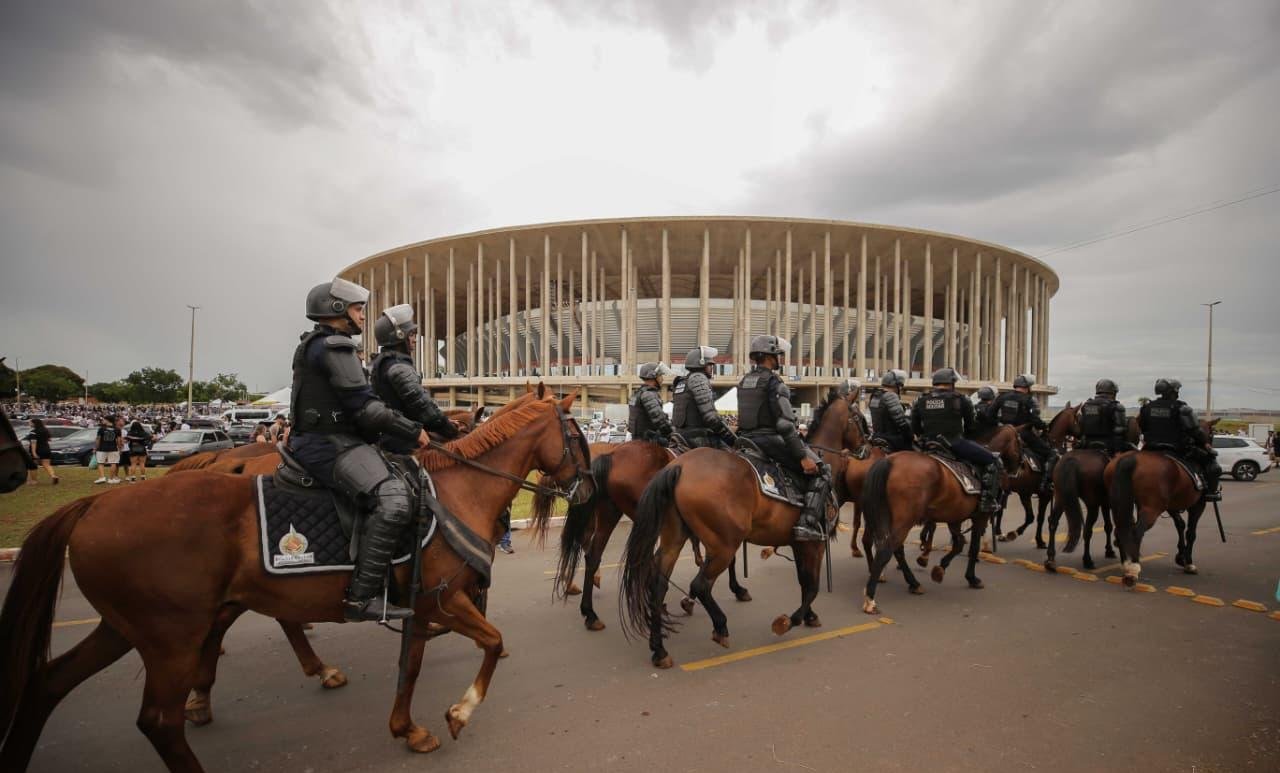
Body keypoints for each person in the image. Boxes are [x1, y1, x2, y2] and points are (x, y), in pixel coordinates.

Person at [287, 277, 431, 622]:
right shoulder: (335, 346)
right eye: (357, 308)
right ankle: (362, 596)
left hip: (329, 440)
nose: (363, 316)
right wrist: (415, 431)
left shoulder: (319, 344)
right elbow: (367, 409)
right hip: (329, 445)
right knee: (394, 497)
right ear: (337, 310)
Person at [735, 334, 831, 542]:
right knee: (823, 472)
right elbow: (785, 425)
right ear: (770, 356)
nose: (780, 358)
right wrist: (803, 456)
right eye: (779, 354)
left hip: (745, 440)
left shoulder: (744, 380)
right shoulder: (774, 382)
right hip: (769, 440)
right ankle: (808, 524)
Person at [369, 303, 461, 452]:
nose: (415, 339)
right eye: (411, 334)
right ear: (400, 336)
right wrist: (449, 430)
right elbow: (422, 407)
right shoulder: (399, 367)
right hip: (401, 442)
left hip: (390, 436)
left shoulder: (381, 363)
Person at [911, 368, 1002, 513]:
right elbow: (971, 427)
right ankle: (987, 501)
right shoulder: (961, 399)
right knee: (993, 461)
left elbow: (915, 427)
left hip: (928, 445)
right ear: (952, 383)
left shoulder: (921, 400)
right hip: (954, 443)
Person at [1138, 378, 1222, 501]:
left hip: (1150, 448)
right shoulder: (1182, 408)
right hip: (1177, 449)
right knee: (1213, 465)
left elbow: (1143, 427)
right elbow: (1194, 430)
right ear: (1174, 391)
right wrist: (1205, 443)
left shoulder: (1146, 407)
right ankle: (1210, 493)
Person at [986, 375, 1058, 495]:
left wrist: (1001, 426)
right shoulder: (1030, 400)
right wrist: (1043, 426)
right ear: (1028, 387)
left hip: (1003, 433)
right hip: (1023, 433)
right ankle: (1045, 483)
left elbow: (990, 415)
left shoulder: (1002, 397)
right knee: (1051, 453)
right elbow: (1035, 419)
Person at [672, 346, 735, 449]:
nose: (712, 368)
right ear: (701, 363)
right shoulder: (698, 378)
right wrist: (731, 438)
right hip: (697, 438)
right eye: (710, 365)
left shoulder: (681, 382)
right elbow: (711, 418)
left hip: (680, 436)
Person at [1079, 379, 1132, 455]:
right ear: (1113, 392)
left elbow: (1082, 426)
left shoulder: (1086, 405)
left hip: (1087, 445)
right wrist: (1118, 451)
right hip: (1109, 446)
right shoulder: (1116, 406)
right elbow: (1120, 431)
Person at [628, 362, 675, 444]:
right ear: (653, 377)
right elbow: (660, 419)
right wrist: (672, 433)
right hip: (648, 441)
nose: (662, 379)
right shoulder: (648, 394)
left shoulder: (638, 393)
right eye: (660, 376)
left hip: (637, 438)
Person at [869, 370, 914, 452]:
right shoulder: (890, 396)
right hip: (892, 440)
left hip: (876, 437)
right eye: (900, 386)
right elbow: (901, 422)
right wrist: (910, 435)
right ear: (897, 385)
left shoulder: (875, 395)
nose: (900, 388)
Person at [25, 418, 59, 485]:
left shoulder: (33, 432)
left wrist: (34, 453)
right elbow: (49, 439)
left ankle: (33, 481)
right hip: (46, 449)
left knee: (33, 466)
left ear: (34, 423)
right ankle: (53, 476)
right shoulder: (45, 431)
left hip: (38, 450)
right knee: (47, 464)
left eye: (30, 422)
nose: (29, 424)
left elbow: (33, 443)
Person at [93, 414, 122, 484]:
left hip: (102, 448)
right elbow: (119, 440)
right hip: (113, 448)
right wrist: (120, 449)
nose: (103, 421)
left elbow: (98, 439)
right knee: (113, 463)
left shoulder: (101, 429)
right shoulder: (117, 429)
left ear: (107, 420)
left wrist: (95, 448)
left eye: (104, 419)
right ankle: (111, 479)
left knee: (100, 463)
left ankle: (102, 477)